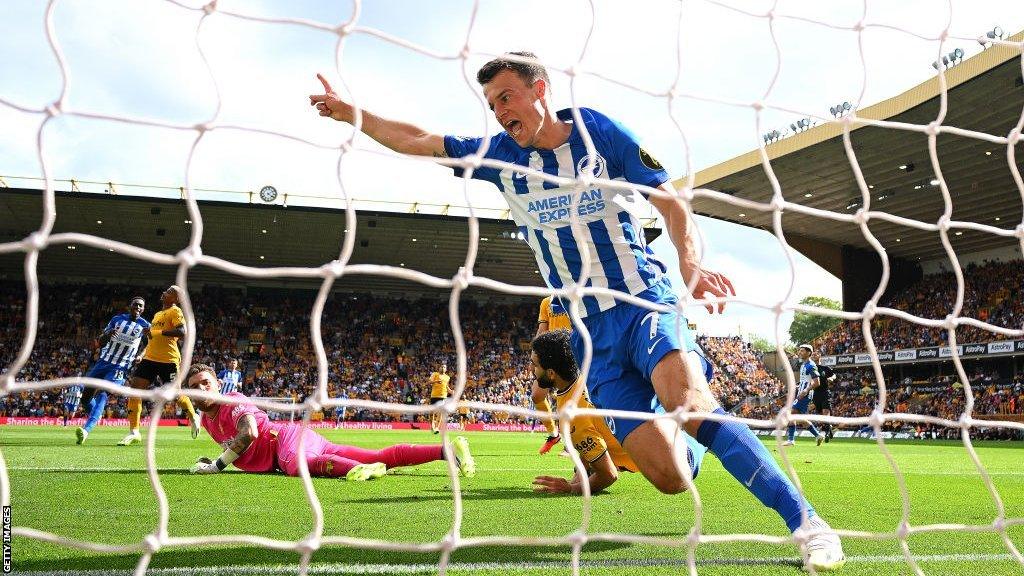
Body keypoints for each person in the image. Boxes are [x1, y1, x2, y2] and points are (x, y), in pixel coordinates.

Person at [309, 52, 843, 569]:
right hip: (590, 334)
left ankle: (809, 524)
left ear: (541, 90)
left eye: (507, 97)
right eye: (491, 104)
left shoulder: (598, 134)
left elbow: (670, 201)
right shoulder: (500, 156)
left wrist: (688, 262)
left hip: (643, 301)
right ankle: (692, 421)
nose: (499, 111)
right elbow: (418, 140)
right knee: (671, 476)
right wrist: (350, 114)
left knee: (693, 406)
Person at [184, 364, 475, 480]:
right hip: (297, 441)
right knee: (378, 455)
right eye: (194, 386)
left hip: (284, 440)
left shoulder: (232, 399)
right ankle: (446, 450)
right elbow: (237, 446)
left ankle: (363, 471)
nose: (200, 389)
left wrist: (216, 466)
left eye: (205, 383)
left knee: (295, 466)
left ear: (217, 384)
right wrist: (217, 458)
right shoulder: (207, 418)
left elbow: (249, 433)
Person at [530, 330, 705, 495]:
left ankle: (702, 440)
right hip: (655, 423)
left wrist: (570, 488)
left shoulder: (571, 417)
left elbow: (608, 475)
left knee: (689, 455)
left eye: (535, 364)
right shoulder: (589, 375)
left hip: (672, 454)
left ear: (551, 373)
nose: (532, 369)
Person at [118, 286, 201, 446]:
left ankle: (193, 415)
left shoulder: (175, 311)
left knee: (175, 395)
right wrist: (143, 353)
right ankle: (134, 432)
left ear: (176, 299)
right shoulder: (157, 315)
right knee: (134, 391)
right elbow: (152, 338)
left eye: (170, 292)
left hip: (168, 360)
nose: (165, 292)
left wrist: (158, 332)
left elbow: (182, 332)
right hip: (149, 359)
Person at [76, 296, 150, 444]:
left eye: (141, 306)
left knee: (103, 393)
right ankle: (96, 415)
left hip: (120, 366)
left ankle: (86, 430)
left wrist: (141, 355)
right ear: (130, 306)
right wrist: (107, 335)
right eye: (136, 304)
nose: (138, 307)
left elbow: (150, 345)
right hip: (103, 362)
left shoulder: (145, 325)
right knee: (85, 399)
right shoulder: (117, 319)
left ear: (143, 309)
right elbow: (101, 342)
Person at [534, 296, 572, 454]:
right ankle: (553, 434)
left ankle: (569, 444)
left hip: (572, 354)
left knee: (567, 399)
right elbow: (542, 331)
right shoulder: (546, 302)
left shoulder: (577, 296)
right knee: (537, 395)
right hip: (550, 356)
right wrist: (536, 355)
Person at [786, 344, 824, 447]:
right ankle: (817, 435)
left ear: (809, 353)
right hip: (801, 393)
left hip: (805, 395)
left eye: (802, 351)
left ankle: (791, 440)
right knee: (798, 418)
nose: (799, 352)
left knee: (791, 414)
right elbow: (805, 380)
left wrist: (806, 390)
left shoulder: (811, 365)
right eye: (799, 351)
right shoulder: (803, 365)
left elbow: (817, 382)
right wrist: (798, 387)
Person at [812, 353, 836, 442]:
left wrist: (832, 378)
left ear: (819, 356)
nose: (814, 355)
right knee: (821, 415)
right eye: (813, 354)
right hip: (815, 394)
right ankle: (829, 429)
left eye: (816, 354)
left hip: (825, 392)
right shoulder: (811, 368)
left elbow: (834, 375)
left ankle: (827, 430)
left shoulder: (825, 368)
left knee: (825, 412)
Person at [428, 363, 453, 434]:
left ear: (446, 369)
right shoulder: (435, 374)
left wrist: (450, 391)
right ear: (439, 368)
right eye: (441, 367)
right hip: (434, 395)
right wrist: (436, 381)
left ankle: (437, 427)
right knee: (432, 412)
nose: (442, 368)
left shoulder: (447, 377)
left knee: (441, 412)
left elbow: (446, 386)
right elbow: (429, 382)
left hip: (443, 396)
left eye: (444, 367)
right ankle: (432, 426)